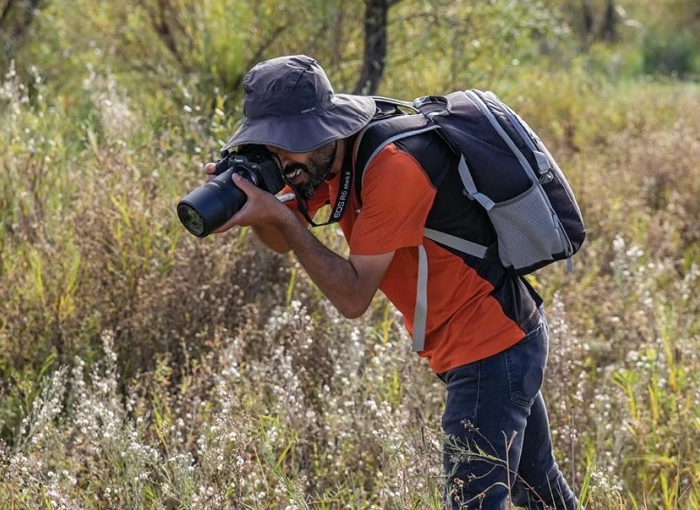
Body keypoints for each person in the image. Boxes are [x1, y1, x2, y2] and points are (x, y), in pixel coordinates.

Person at [206, 54, 578, 510]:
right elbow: (282, 239)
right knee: (537, 484)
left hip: (490, 350)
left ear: (324, 129)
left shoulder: (393, 167)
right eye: (271, 147)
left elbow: (352, 295)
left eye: (289, 144)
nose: (282, 158)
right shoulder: (322, 159)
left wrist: (279, 216)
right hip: (503, 340)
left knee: (471, 502)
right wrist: (251, 202)